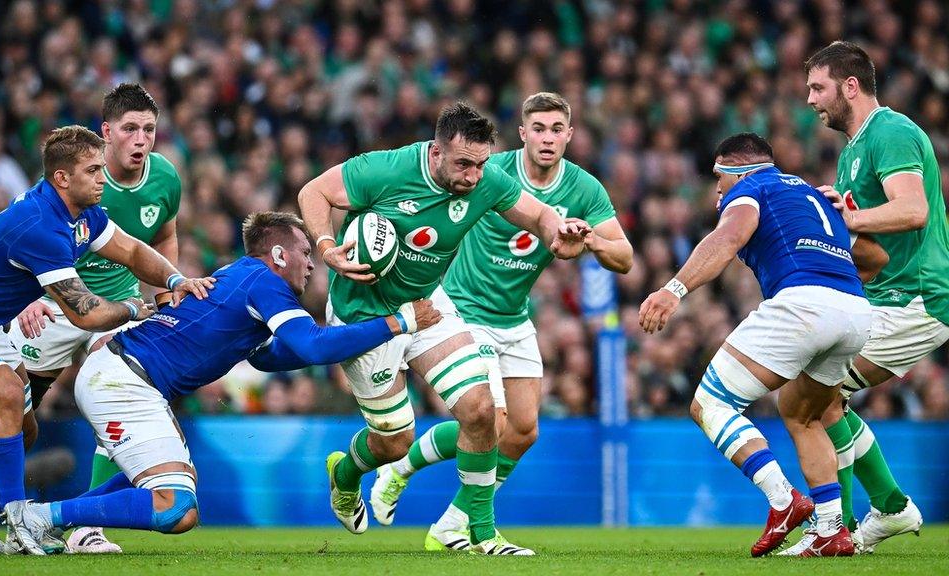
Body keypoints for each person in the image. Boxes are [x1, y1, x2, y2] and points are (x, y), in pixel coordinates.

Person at [11, 212, 440, 545]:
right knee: (177, 508)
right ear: (277, 255)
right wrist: (397, 322)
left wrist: (352, 345)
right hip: (125, 382)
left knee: (158, 478)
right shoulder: (263, 280)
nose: (311, 264)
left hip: (125, 374)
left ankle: (40, 520)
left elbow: (271, 359)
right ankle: (39, 517)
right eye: (305, 252)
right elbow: (310, 346)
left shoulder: (243, 279)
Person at [298, 102, 589, 555]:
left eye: (480, 164)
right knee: (394, 442)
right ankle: (345, 474)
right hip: (365, 317)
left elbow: (536, 213)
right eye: (463, 164)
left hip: (428, 306)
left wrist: (558, 230)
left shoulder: (486, 180)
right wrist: (327, 245)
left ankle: (480, 533)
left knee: (481, 411)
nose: (473, 176)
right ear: (435, 152)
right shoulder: (385, 169)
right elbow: (313, 193)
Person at [0, 125, 212, 555]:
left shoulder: (83, 216)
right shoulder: (41, 225)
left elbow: (133, 251)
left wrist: (174, 278)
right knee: (6, 396)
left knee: (23, 429)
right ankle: (15, 519)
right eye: (93, 170)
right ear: (62, 178)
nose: (102, 178)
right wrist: (138, 308)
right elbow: (87, 311)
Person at [368, 92, 633, 554]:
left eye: (556, 129)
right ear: (523, 133)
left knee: (525, 429)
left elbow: (625, 258)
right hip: (464, 309)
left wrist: (588, 238)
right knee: (491, 421)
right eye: (539, 128)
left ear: (569, 135)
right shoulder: (488, 171)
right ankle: (411, 476)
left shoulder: (584, 189)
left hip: (514, 316)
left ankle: (450, 521)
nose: (547, 138)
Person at [639, 133, 871, 557]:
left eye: (718, 176)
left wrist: (673, 289)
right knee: (803, 415)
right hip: (855, 310)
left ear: (737, 169)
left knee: (709, 404)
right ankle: (832, 531)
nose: (717, 188)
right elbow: (875, 259)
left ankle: (784, 501)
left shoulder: (751, 188)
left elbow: (727, 239)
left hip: (804, 302)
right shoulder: (817, 198)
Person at [784, 40, 949, 555]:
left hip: (917, 298)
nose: (809, 99)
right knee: (816, 394)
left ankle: (842, 529)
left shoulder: (892, 132)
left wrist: (847, 219)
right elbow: (871, 247)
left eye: (818, 87)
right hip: (883, 294)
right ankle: (886, 511)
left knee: (813, 394)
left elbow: (914, 209)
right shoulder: (853, 151)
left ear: (849, 87)